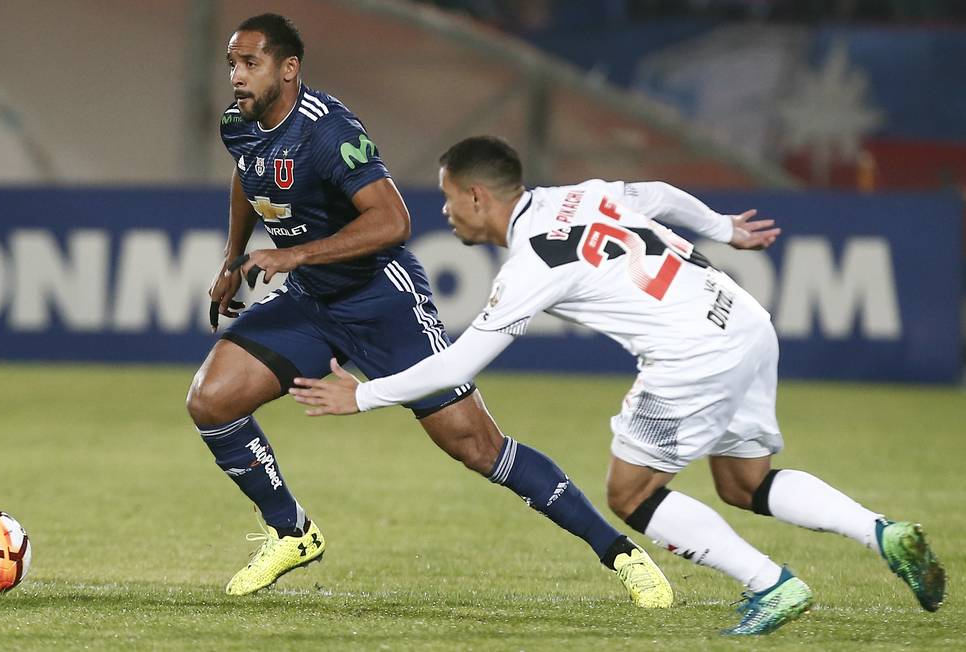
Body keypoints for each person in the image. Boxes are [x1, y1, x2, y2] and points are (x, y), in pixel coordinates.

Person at [289, 135, 947, 635]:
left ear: (477, 198)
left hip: (693, 355)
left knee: (629, 494)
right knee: (743, 483)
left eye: (447, 197)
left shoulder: (531, 264)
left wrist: (363, 395)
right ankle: (881, 531)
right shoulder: (580, 196)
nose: (446, 211)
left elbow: (459, 366)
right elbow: (657, 193)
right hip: (743, 321)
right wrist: (722, 229)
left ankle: (770, 583)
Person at [186, 14, 672, 606]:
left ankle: (618, 551)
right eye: (232, 63)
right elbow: (249, 174)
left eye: (250, 63)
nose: (237, 76)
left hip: (381, 299)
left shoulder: (329, 131)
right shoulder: (239, 124)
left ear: (289, 69)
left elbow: (394, 222)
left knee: (477, 447)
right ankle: (291, 531)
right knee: (211, 401)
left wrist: (295, 253)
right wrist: (233, 258)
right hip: (313, 299)